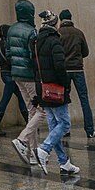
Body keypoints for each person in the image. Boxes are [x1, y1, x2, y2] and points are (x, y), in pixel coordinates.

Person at [29, 10, 80, 176]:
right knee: (64, 124)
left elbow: (34, 67)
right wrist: (66, 85)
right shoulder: (54, 41)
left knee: (53, 126)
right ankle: (44, 149)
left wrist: (38, 90)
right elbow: (60, 67)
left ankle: (64, 162)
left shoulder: (35, 41)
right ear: (54, 23)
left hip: (43, 88)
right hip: (56, 89)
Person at [4, 0, 47, 165]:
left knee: (32, 111)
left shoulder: (11, 30)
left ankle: (33, 153)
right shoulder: (31, 31)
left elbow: (8, 53)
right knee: (42, 110)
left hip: (16, 75)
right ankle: (22, 139)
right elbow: (34, 56)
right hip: (29, 76)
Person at [54, 10, 95, 139]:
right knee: (84, 99)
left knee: (63, 100)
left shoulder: (58, 33)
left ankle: (65, 129)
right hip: (78, 70)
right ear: (71, 18)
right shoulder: (79, 33)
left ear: (61, 20)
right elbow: (86, 52)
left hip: (64, 71)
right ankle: (90, 130)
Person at [0, 23, 28, 135]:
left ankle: (29, 124)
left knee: (20, 97)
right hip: (11, 73)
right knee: (6, 99)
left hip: (4, 72)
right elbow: (13, 59)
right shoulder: (9, 43)